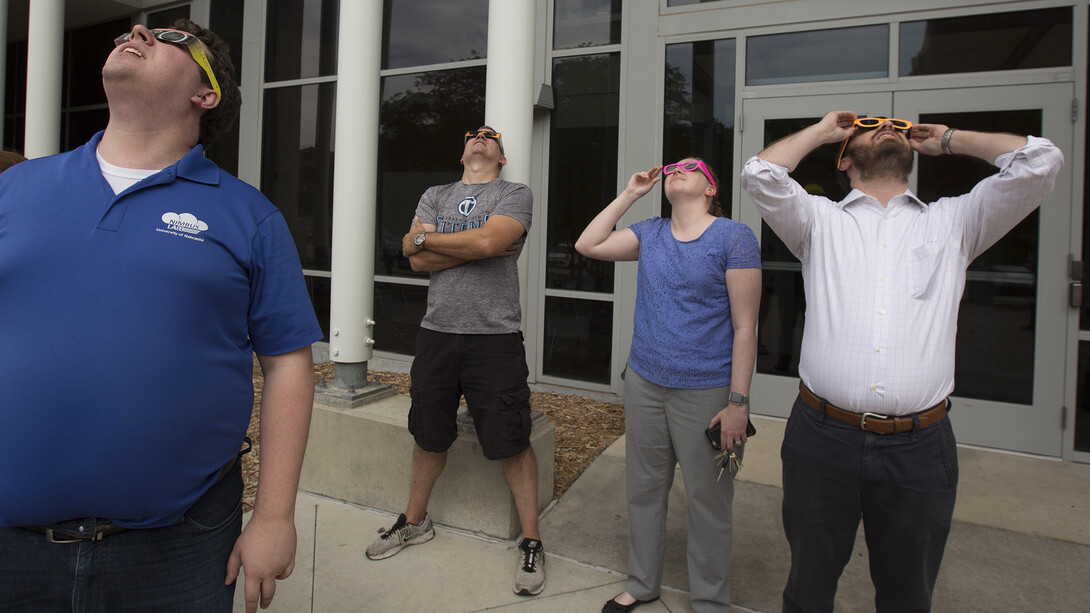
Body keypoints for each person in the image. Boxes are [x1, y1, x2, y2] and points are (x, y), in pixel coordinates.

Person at [0, 20, 323, 613]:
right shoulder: (15, 188)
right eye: (140, 30)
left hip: (179, 550)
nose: (139, 29)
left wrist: (275, 516)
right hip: (10, 548)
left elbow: (287, 367)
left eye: (173, 40)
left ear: (206, 95)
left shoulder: (249, 216)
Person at [740, 112, 1064, 613]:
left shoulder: (956, 220)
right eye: (869, 127)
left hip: (919, 448)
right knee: (808, 587)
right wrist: (826, 131)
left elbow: (1041, 162)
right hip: (823, 440)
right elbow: (759, 174)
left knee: (907, 596)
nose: (886, 128)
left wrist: (952, 140)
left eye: (894, 126)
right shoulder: (819, 222)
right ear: (846, 159)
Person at [575, 158, 762, 612]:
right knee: (644, 489)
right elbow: (588, 244)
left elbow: (745, 327)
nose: (677, 169)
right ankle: (642, 583)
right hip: (644, 382)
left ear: (711, 187)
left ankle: (710, 600)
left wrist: (738, 403)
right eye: (672, 166)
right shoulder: (650, 232)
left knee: (708, 500)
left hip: (707, 390)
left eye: (691, 167)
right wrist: (630, 194)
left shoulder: (733, 237)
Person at [366, 126, 545, 596]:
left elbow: (487, 245)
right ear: (462, 150)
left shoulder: (514, 193)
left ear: (501, 158)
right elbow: (412, 257)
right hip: (437, 334)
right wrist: (470, 243)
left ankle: (532, 540)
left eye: (490, 136)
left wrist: (432, 240)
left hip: (495, 337)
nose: (480, 137)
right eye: (472, 134)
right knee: (429, 432)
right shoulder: (435, 193)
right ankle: (414, 521)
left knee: (512, 437)